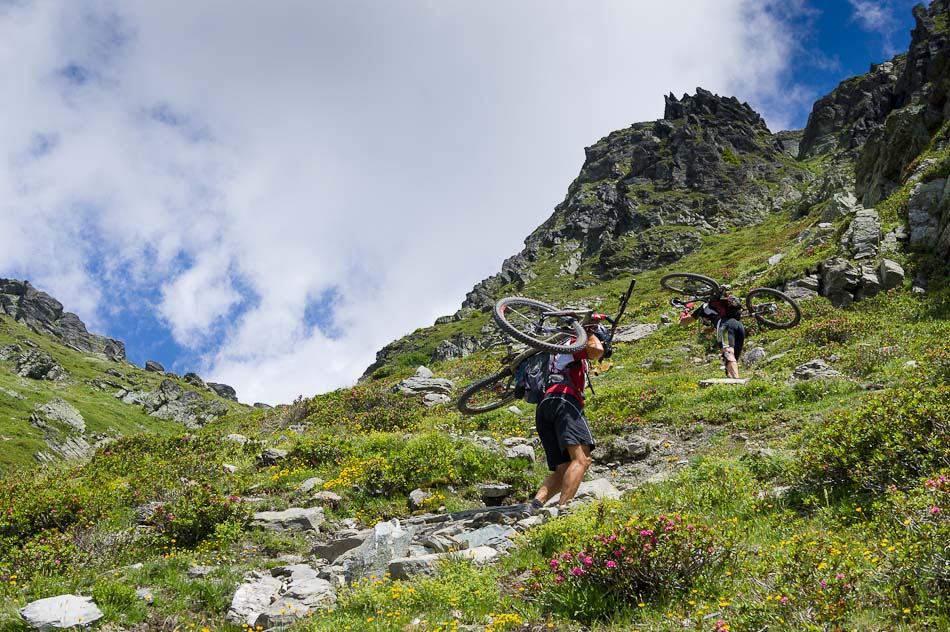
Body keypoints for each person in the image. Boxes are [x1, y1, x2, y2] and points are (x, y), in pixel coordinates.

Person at [527, 323, 607, 515]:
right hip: (565, 400)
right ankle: (564, 509)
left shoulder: (550, 351)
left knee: (562, 468)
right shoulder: (573, 344)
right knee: (582, 459)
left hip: (544, 407)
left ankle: (534, 506)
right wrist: (591, 333)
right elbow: (596, 350)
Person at [677, 286, 746, 379]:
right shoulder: (728, 300)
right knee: (731, 359)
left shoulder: (705, 306)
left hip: (724, 326)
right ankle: (732, 380)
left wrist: (686, 310)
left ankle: (737, 381)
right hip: (739, 326)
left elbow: (684, 322)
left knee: (727, 354)